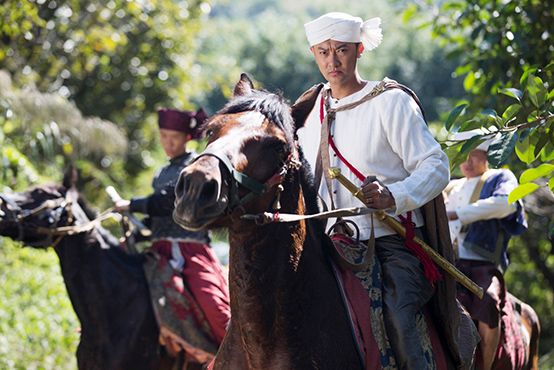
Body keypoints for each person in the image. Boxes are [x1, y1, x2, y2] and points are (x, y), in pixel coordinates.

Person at [296, 12, 462, 370]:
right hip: (325, 243)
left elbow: (436, 166)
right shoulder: (308, 112)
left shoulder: (390, 101)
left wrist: (393, 195)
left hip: (391, 242)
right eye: (323, 52)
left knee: (398, 316)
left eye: (341, 50)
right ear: (313, 53)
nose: (332, 60)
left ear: (359, 50)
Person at [114, 108, 231, 346]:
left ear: (187, 137)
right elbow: (157, 217)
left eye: (174, 137)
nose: (168, 142)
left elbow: (169, 201)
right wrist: (134, 236)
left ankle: (236, 354)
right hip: (158, 251)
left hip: (191, 251)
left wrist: (132, 204)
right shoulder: (162, 172)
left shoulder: (197, 166)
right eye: (163, 136)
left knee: (216, 309)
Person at [444, 130, 527, 370]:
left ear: (486, 155)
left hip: (482, 265)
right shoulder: (449, 186)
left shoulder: (500, 177)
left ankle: (485, 366)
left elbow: (507, 202)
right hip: (447, 262)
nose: (466, 162)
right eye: (463, 155)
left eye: (473, 155)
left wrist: (458, 213)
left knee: (489, 301)